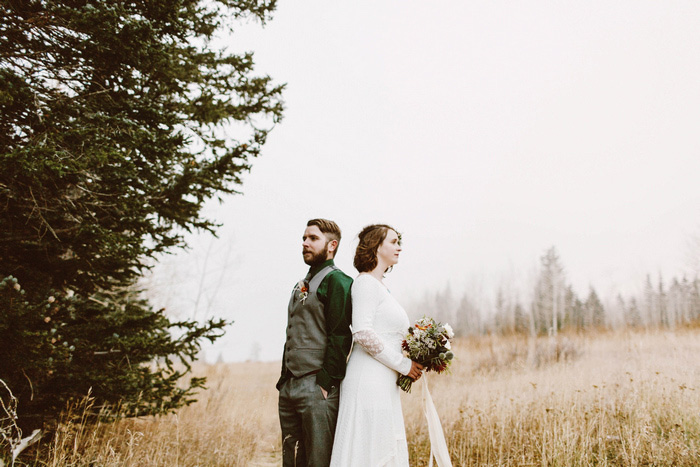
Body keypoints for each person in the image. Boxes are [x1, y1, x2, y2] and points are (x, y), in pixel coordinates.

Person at [330, 224, 424, 467]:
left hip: (383, 379)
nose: (399, 247)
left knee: (383, 444)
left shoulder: (381, 287)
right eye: (393, 242)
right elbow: (362, 332)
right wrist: (404, 365)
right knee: (370, 448)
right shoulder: (365, 284)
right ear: (376, 246)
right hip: (368, 379)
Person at [277, 218, 353, 467]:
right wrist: (284, 381)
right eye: (304, 238)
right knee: (291, 458)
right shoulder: (301, 284)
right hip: (289, 386)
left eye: (312, 238)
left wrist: (325, 382)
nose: (305, 243)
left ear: (331, 245)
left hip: (316, 387)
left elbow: (341, 335)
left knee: (318, 460)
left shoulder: (338, 281)